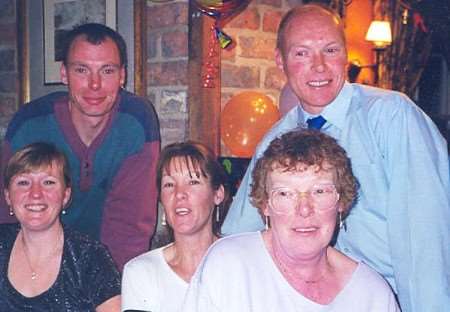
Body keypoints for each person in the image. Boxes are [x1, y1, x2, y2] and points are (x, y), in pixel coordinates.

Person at [221, 4, 450, 311]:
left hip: (388, 299)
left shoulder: (392, 117)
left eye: (330, 50)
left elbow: (426, 243)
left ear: (345, 54)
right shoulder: (276, 140)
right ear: (280, 61)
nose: (319, 66)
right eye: (301, 53)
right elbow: (242, 231)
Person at [0, 23, 161, 270]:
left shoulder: (136, 122)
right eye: (82, 70)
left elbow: (130, 227)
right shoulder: (30, 123)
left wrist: (108, 293)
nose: (94, 85)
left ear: (122, 76)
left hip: (103, 269)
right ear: (63, 73)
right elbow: (7, 215)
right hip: (34, 264)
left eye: (107, 70)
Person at [183, 130, 400, 311]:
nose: (304, 209)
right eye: (285, 194)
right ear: (265, 204)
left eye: (320, 191)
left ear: (341, 201)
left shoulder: (372, 295)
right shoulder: (230, 267)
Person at [0, 142, 121, 311]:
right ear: (7, 196)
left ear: (65, 195)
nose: (36, 194)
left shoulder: (90, 256)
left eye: (48, 182)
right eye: (23, 182)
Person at [121, 141, 230, 312]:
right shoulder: (142, 272)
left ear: (217, 194)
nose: (179, 193)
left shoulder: (242, 265)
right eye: (169, 184)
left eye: (193, 182)